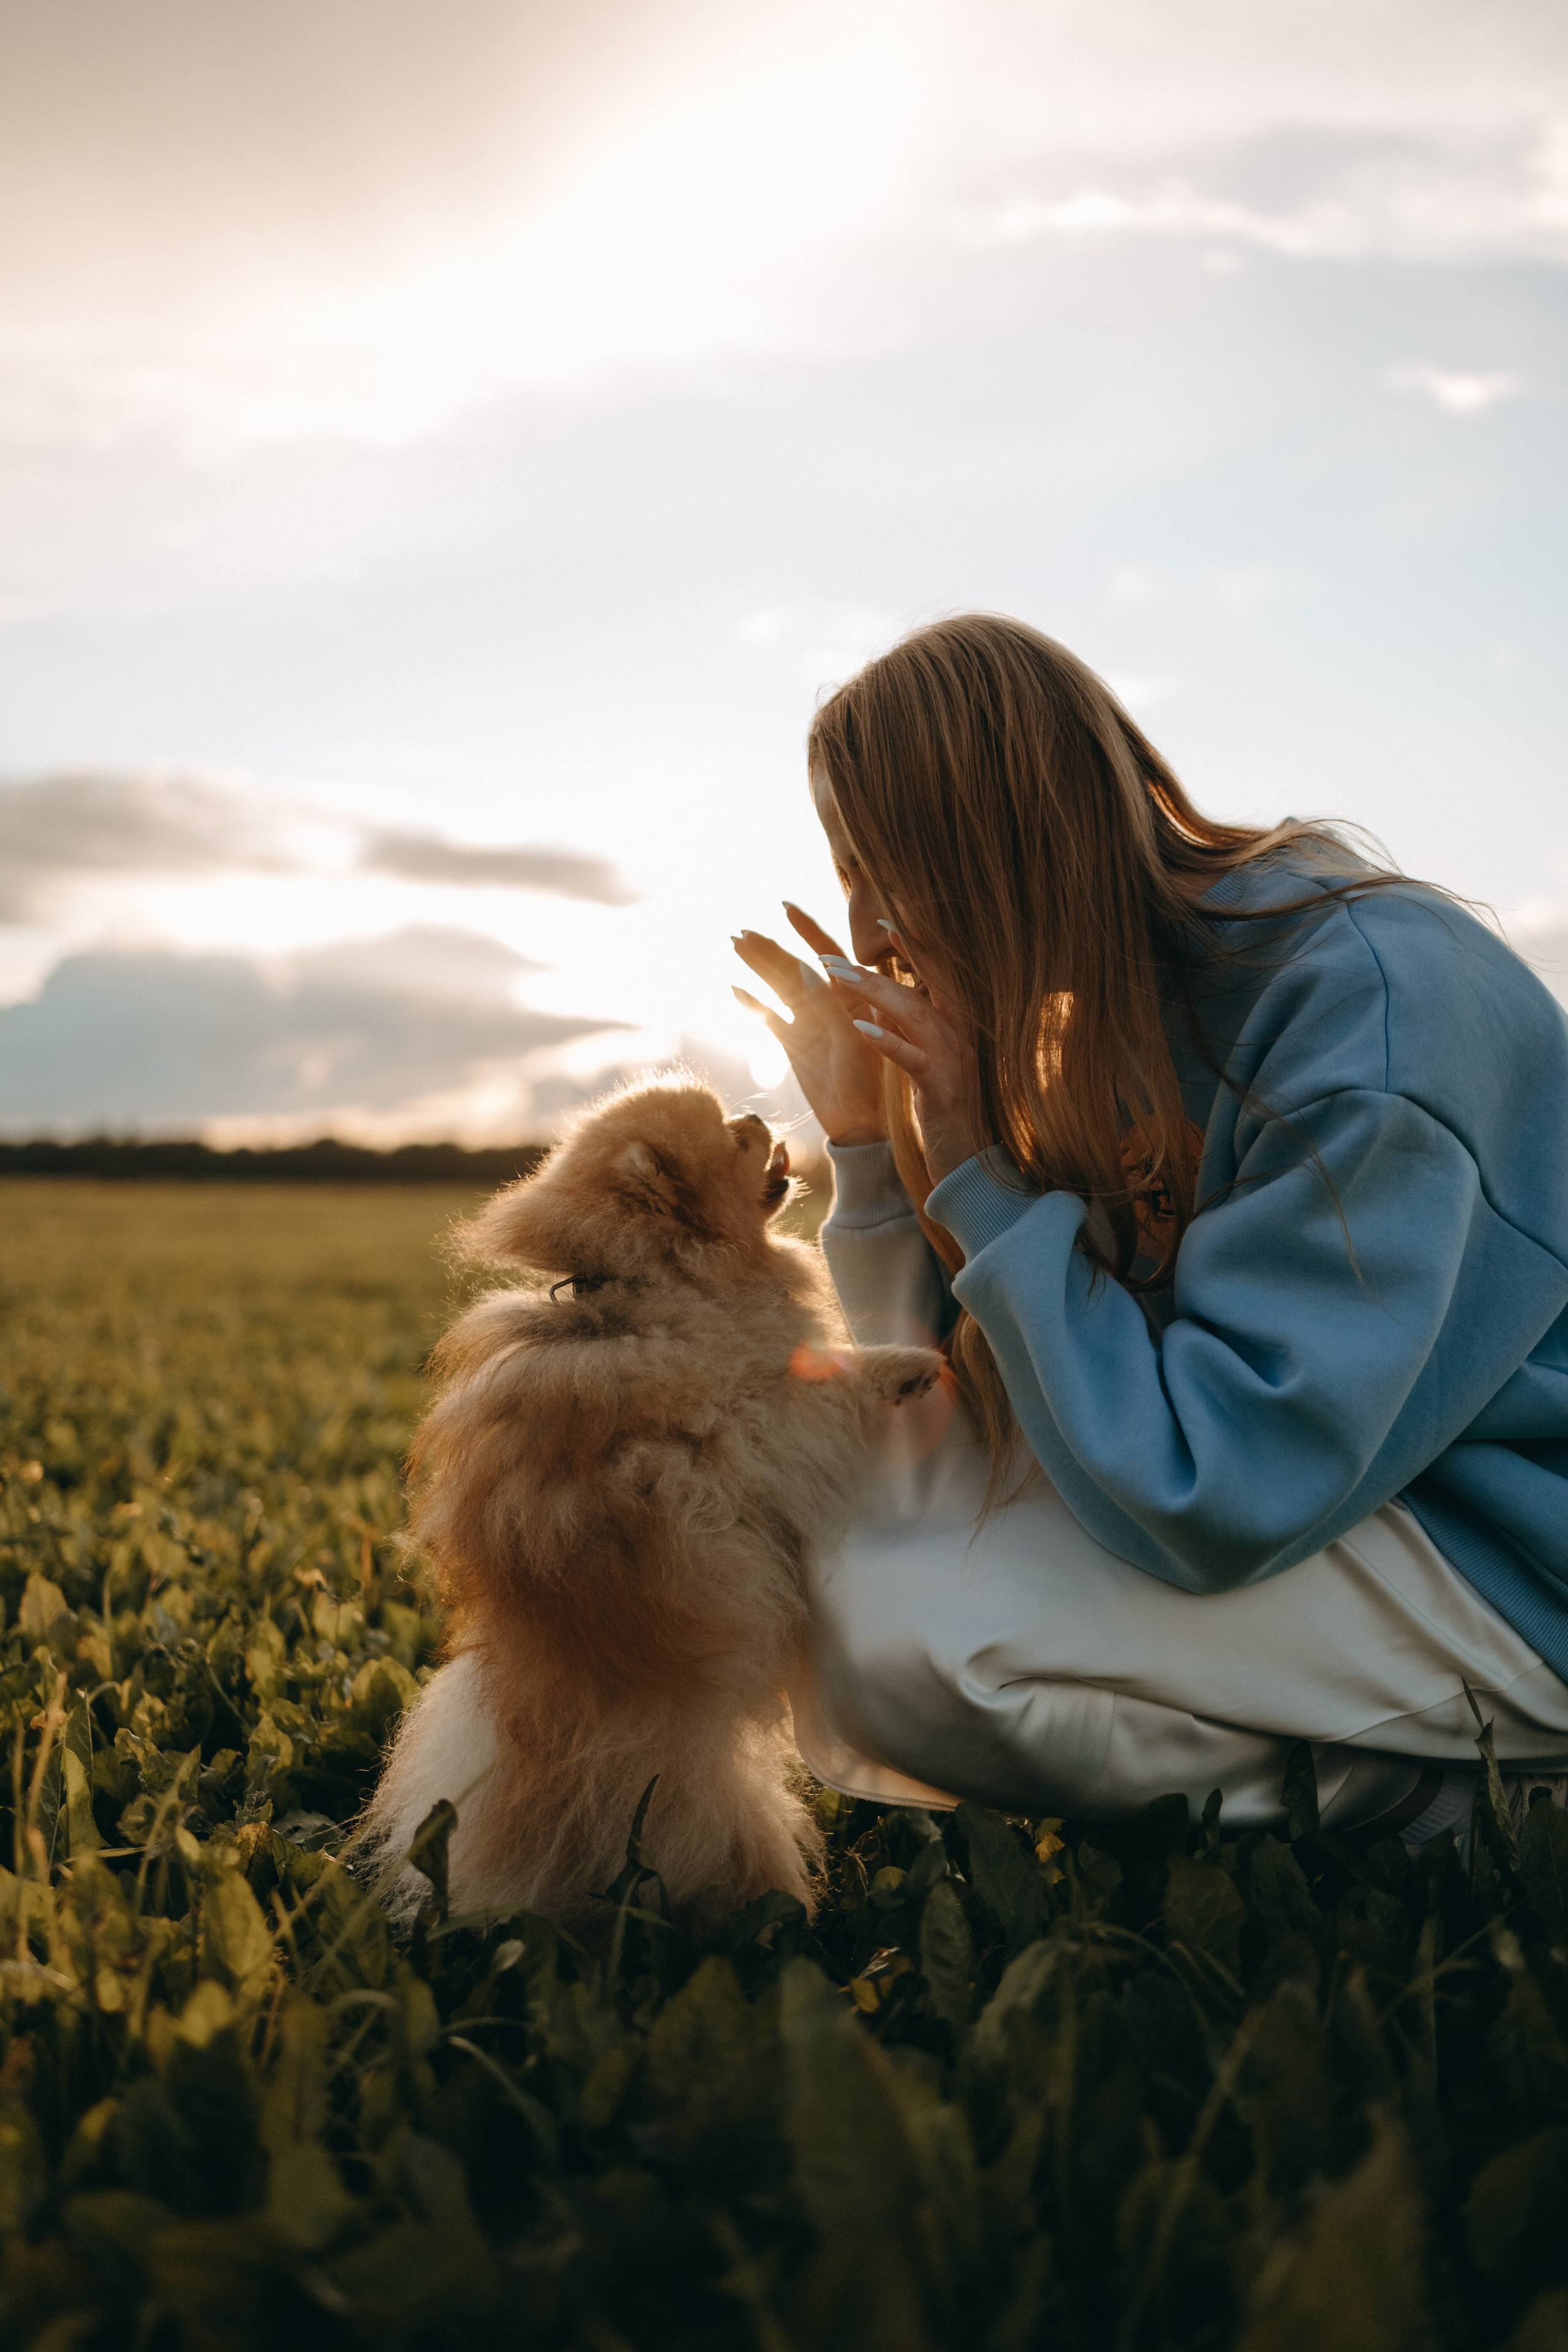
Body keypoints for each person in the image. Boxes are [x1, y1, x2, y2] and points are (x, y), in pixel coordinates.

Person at [732, 613, 1568, 1847]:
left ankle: (1482, 1796)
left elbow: (1215, 1487)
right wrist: (870, 1144)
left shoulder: (1368, 1012)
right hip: (1334, 1502)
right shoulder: (1106, 1018)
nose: (865, 936)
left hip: (1503, 1545)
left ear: (994, 841)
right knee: (855, 1551)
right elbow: (942, 1421)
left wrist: (969, 1164)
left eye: (880, 866)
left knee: (902, 1635)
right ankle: (1409, 1775)